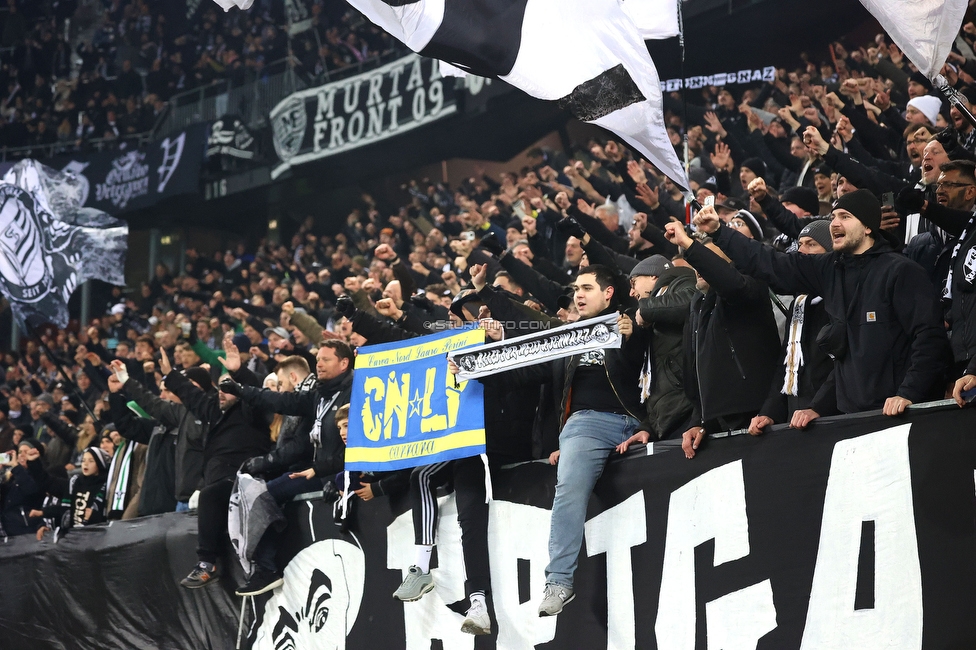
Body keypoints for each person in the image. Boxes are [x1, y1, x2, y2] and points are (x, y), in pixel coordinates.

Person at [691, 191, 949, 439]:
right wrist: (719, 232)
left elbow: (929, 337)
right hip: (851, 417)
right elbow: (772, 263)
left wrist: (909, 393)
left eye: (845, 216)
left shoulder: (901, 271)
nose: (835, 223)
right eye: (834, 216)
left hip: (899, 416)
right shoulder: (831, 269)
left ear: (869, 227)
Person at [468, 264, 648, 616]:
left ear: (609, 293)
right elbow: (519, 373)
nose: (578, 295)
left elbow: (660, 363)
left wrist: (633, 334)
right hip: (587, 426)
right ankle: (560, 581)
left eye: (586, 288)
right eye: (575, 289)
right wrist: (474, 367)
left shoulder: (631, 323)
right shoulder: (566, 342)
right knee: (568, 489)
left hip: (645, 420)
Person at [222, 341, 354, 595]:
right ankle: (266, 569)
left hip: (336, 471)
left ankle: (266, 568)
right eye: (318, 360)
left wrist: (335, 475)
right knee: (266, 493)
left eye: (326, 360)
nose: (319, 364)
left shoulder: (358, 391)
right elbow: (280, 401)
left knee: (269, 493)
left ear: (344, 363)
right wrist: (243, 390)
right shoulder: (320, 394)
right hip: (318, 470)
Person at [163, 336, 271, 589]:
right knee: (210, 495)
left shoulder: (249, 410)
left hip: (243, 478)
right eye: (219, 389)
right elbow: (194, 397)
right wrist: (171, 376)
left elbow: (255, 393)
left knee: (209, 496)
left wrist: (239, 371)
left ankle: (206, 564)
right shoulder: (215, 411)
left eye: (227, 389)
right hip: (219, 478)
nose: (221, 394)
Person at [661, 223, 780, 453]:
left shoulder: (750, 286)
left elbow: (732, 285)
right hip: (714, 425)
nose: (698, 265)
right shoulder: (698, 302)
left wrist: (688, 244)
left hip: (756, 416)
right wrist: (699, 420)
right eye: (697, 259)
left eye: (708, 259)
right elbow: (698, 368)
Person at [31, 447, 110, 537]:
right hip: (73, 538)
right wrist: (34, 463)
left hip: (96, 538)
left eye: (91, 461)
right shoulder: (74, 482)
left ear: (100, 464)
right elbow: (48, 482)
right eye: (83, 460)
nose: (86, 464)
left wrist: (95, 517)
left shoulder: (107, 485)